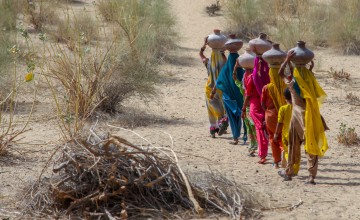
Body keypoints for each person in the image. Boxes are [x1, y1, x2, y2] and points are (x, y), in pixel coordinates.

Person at [278, 51, 328, 184]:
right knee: (311, 145)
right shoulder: (309, 81)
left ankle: (289, 171)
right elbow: (311, 83)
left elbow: (280, 73)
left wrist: (287, 60)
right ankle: (311, 176)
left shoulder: (292, 82)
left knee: (293, 144)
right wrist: (310, 69)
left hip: (297, 117)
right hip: (311, 117)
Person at [216, 40, 245, 145]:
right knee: (238, 116)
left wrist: (214, 90)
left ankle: (235, 137)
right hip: (239, 96)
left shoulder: (227, 67)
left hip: (228, 97)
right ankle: (236, 135)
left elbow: (220, 80)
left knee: (231, 115)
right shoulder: (241, 69)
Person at [199, 37, 228, 138]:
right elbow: (225, 57)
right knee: (223, 106)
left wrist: (204, 45)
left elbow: (200, 55)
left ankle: (213, 128)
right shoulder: (224, 62)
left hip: (209, 87)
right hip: (221, 87)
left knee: (210, 107)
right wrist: (223, 50)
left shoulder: (207, 61)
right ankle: (222, 121)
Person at [242, 58, 269, 164]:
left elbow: (248, 95)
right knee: (265, 128)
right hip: (266, 104)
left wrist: (244, 108)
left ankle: (262, 155)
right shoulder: (267, 76)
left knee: (259, 129)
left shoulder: (252, 77)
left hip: (255, 106)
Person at [261, 64, 287, 168]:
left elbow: (262, 105)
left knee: (272, 137)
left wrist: (267, 111)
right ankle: (284, 152)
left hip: (270, 116)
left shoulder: (267, 88)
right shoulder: (284, 87)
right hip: (283, 114)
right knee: (283, 136)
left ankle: (276, 162)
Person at [274, 88, 300, 174]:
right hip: (297, 133)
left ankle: (289, 168)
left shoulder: (282, 109)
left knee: (287, 151)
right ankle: (295, 170)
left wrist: (276, 134)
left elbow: (279, 123)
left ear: (284, 97)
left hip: (286, 133)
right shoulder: (298, 107)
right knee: (297, 152)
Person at [233, 63, 257, 155]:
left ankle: (254, 147)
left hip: (247, 109)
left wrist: (235, 68)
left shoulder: (243, 89)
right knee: (252, 128)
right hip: (252, 109)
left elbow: (234, 78)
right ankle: (253, 147)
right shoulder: (255, 88)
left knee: (251, 128)